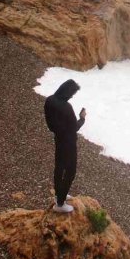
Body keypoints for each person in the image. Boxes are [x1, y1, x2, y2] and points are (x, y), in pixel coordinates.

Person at [44, 79, 86, 213]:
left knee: (59, 168)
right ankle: (60, 203)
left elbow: (51, 126)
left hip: (59, 139)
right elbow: (74, 128)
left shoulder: (49, 100)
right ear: (67, 92)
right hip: (69, 143)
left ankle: (59, 194)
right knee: (70, 172)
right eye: (72, 93)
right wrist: (82, 118)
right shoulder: (66, 107)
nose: (72, 96)